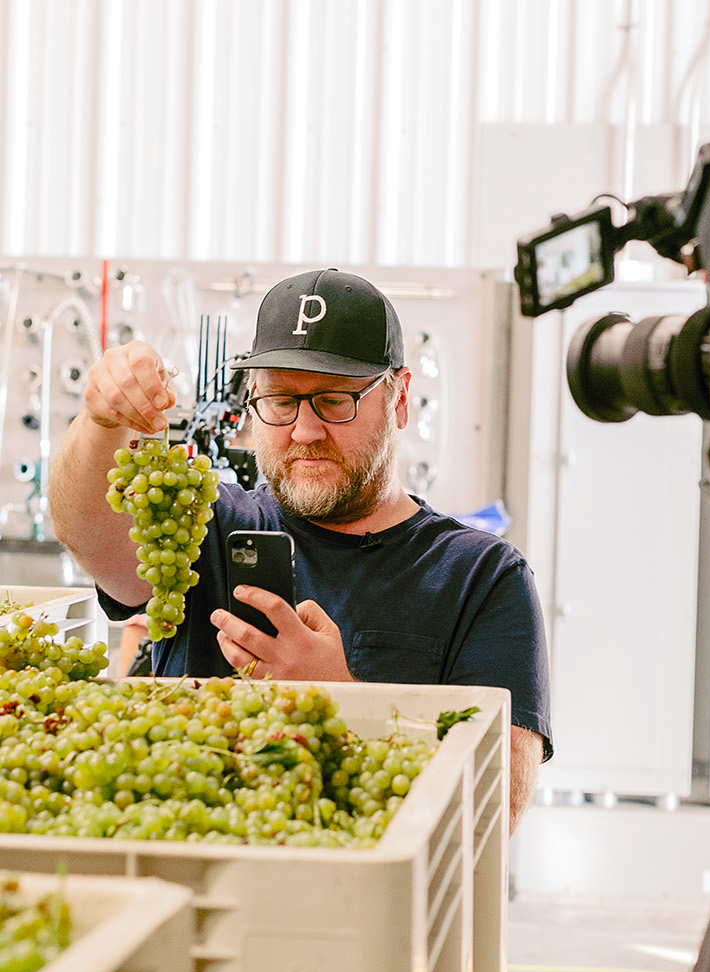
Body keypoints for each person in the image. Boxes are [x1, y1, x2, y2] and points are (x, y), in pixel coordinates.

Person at [49, 267, 552, 829]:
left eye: (335, 401)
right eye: (282, 401)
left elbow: (495, 808)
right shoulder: (201, 526)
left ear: (400, 398)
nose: (305, 431)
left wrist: (341, 699)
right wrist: (100, 419)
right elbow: (86, 532)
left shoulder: (483, 578)